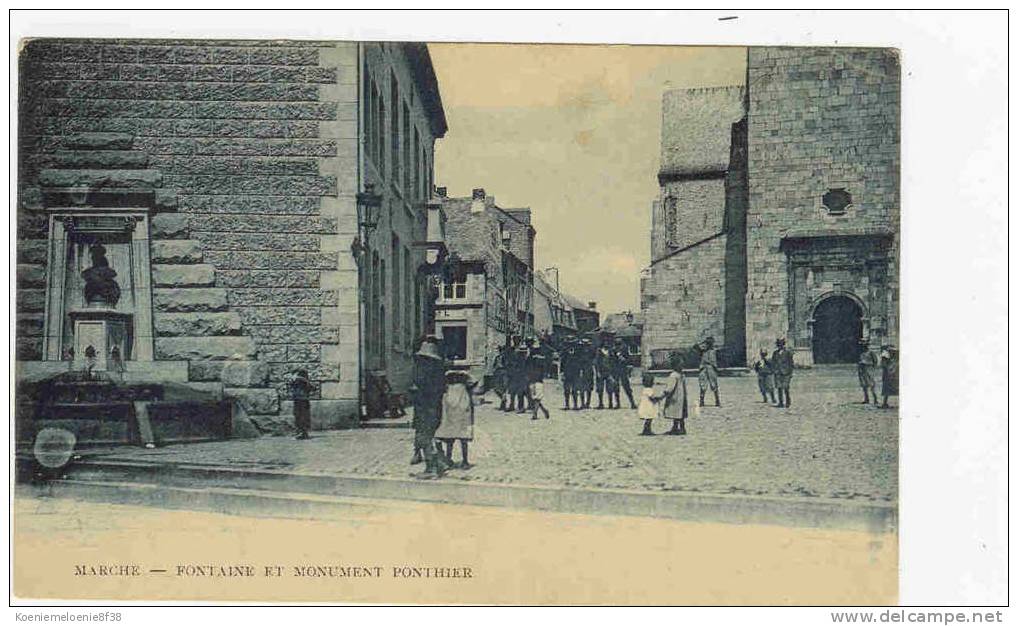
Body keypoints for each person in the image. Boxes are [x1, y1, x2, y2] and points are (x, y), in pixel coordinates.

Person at [411, 338, 449, 479]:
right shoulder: (438, 373)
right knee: (429, 437)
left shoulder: (426, 374)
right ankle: (438, 464)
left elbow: (418, 389)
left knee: (426, 438)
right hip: (434, 409)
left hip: (426, 410)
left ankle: (432, 468)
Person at [436, 370, 477, 469]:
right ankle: (465, 461)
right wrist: (466, 374)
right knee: (463, 440)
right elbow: (475, 382)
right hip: (462, 416)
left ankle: (449, 459)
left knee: (450, 439)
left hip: (451, 416)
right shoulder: (465, 388)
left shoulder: (447, 388)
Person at [658, 351, 689, 435]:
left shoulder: (673, 375)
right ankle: (681, 428)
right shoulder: (682, 375)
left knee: (676, 413)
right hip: (682, 398)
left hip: (675, 398)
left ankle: (676, 428)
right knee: (680, 414)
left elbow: (669, 388)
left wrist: (661, 396)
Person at [526, 343, 550, 420]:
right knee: (533, 398)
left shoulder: (541, 358)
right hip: (532, 379)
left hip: (538, 379)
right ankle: (544, 410)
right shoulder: (530, 357)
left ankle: (535, 414)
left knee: (536, 398)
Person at [613, 339, 638, 409]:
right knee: (616, 388)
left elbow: (629, 359)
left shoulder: (624, 350)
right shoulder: (613, 350)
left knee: (627, 387)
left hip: (623, 370)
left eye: (619, 344)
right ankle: (618, 403)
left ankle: (632, 403)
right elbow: (611, 361)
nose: (618, 346)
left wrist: (624, 360)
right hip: (616, 371)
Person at [697, 336, 721, 408]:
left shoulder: (713, 350)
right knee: (702, 385)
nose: (708, 344)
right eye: (708, 343)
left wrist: (716, 369)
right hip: (703, 368)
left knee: (714, 385)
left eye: (710, 343)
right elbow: (695, 346)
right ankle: (701, 401)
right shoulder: (702, 351)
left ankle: (717, 401)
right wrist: (702, 342)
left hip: (711, 368)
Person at [772, 338, 795, 408]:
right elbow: (773, 362)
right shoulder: (775, 353)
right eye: (778, 344)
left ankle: (788, 401)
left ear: (783, 345)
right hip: (778, 373)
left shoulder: (788, 353)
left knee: (786, 388)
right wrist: (774, 370)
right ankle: (781, 402)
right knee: (779, 388)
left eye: (781, 344)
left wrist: (791, 373)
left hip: (786, 373)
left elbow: (791, 363)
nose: (780, 346)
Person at [290, 368, 313, 440]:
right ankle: (303, 432)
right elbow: (312, 388)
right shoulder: (305, 381)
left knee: (300, 416)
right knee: (303, 416)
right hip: (303, 399)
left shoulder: (300, 380)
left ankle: (301, 433)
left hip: (300, 400)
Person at [857, 339, 879, 405]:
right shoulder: (861, 353)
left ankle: (875, 399)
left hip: (869, 370)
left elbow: (875, 361)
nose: (863, 346)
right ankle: (866, 399)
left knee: (872, 385)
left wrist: (870, 366)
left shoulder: (871, 352)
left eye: (865, 345)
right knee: (864, 385)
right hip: (862, 370)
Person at [561, 339, 580, 410]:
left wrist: (580, 371)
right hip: (567, 373)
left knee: (575, 390)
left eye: (572, 344)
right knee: (566, 390)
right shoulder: (565, 353)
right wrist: (562, 373)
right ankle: (567, 404)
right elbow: (562, 364)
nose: (571, 346)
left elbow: (580, 363)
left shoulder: (577, 353)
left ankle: (575, 404)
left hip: (575, 373)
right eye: (569, 344)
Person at [594, 343, 613, 409]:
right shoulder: (599, 352)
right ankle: (601, 403)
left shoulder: (610, 351)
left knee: (610, 388)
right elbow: (596, 363)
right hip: (601, 372)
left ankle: (610, 403)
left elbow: (612, 361)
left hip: (609, 372)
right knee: (600, 389)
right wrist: (597, 372)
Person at [577, 338, 595, 409]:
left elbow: (594, 359)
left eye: (586, 345)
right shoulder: (579, 352)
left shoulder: (591, 351)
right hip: (581, 370)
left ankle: (588, 403)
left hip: (589, 370)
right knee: (581, 388)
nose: (585, 346)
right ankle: (582, 403)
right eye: (584, 345)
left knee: (589, 388)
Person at [880, 344, 899, 409]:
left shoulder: (895, 360)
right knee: (887, 390)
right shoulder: (889, 360)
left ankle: (885, 403)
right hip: (888, 376)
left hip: (893, 376)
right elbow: (884, 365)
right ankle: (884, 403)